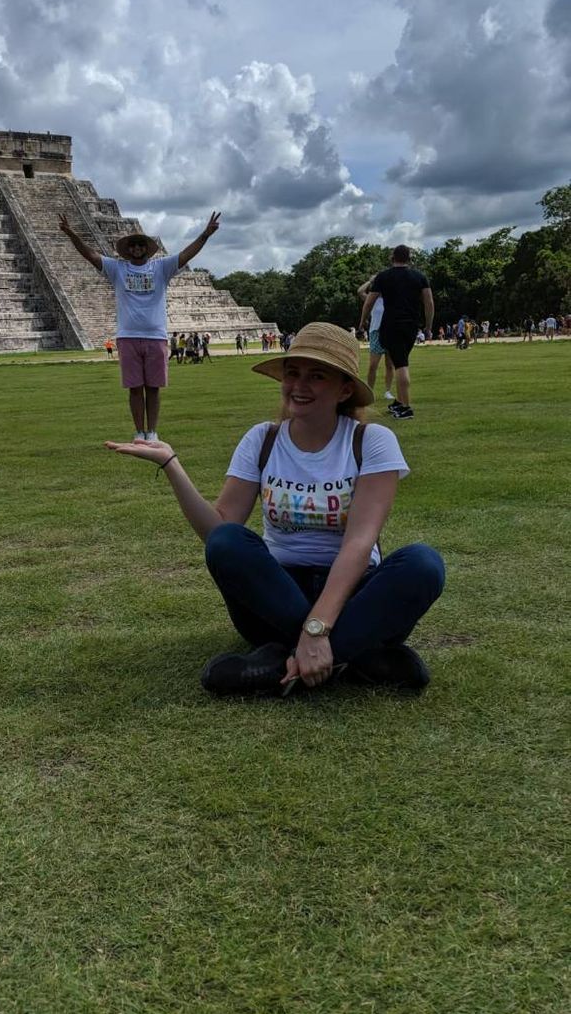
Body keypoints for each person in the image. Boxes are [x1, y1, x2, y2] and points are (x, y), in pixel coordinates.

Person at [106, 323, 445, 697]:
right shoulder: (262, 439)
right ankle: (359, 656)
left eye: (317, 376)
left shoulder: (371, 441)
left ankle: (281, 659)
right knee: (228, 542)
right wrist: (172, 465)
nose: (299, 386)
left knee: (423, 565)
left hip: (353, 589)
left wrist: (316, 627)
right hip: (276, 592)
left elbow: (359, 543)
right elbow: (219, 530)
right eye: (293, 373)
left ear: (345, 389)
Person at [59, 213, 220, 440]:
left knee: (153, 388)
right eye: (132, 245)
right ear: (128, 249)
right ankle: (139, 431)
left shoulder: (161, 267)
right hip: (128, 336)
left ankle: (152, 432)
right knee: (135, 388)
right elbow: (90, 255)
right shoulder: (117, 268)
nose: (136, 248)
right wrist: (71, 234)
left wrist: (205, 234)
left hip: (156, 336)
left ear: (146, 248)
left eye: (140, 244)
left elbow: (186, 254)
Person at [360, 245, 434, 420]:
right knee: (401, 360)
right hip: (411, 326)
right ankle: (400, 402)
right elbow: (429, 303)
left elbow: (369, 302)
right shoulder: (419, 277)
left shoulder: (383, 277)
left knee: (401, 364)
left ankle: (406, 407)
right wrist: (428, 326)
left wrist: (362, 322)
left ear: (392, 257)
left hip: (391, 325)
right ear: (409, 258)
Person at [358, 277, 395, 401]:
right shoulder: (373, 299)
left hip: (390, 332)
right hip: (376, 332)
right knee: (373, 365)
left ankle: (388, 391)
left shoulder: (391, 298)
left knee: (389, 365)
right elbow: (360, 292)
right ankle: (370, 391)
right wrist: (370, 281)